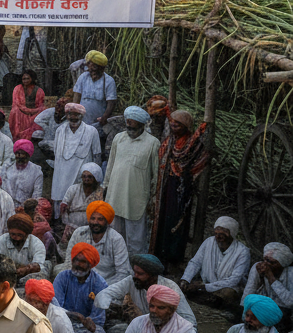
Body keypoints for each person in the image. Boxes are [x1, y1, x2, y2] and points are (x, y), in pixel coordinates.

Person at [151, 110, 208, 266]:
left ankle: (173, 256)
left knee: (176, 221)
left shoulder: (191, 144)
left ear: (186, 126)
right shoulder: (170, 140)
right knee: (163, 218)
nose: (174, 125)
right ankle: (160, 252)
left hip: (181, 188)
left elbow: (190, 161)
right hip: (167, 183)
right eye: (173, 122)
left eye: (178, 123)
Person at [94, 252, 197, 333]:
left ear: (152, 276)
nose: (135, 276)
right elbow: (105, 294)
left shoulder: (170, 288)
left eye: (140, 274)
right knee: (114, 329)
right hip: (140, 328)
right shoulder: (132, 281)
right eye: (135, 272)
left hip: (164, 331)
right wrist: (108, 307)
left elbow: (190, 322)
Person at [103, 106, 159, 254]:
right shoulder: (118, 138)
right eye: (128, 125)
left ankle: (136, 271)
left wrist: (153, 198)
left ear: (142, 125)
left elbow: (156, 174)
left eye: (133, 126)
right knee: (115, 236)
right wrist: (105, 186)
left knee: (135, 239)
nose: (130, 129)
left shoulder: (153, 143)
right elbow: (111, 165)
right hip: (115, 194)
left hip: (137, 198)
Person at [181, 216, 251, 311]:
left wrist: (204, 287)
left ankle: (216, 302)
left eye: (223, 233)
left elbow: (234, 280)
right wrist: (186, 279)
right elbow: (195, 262)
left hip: (227, 287)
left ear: (232, 234)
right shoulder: (209, 242)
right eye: (217, 233)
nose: (218, 236)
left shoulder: (242, 252)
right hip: (207, 284)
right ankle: (210, 299)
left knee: (228, 293)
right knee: (186, 287)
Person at [63, 202, 131, 285]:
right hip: (80, 281)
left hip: (107, 283)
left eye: (100, 219)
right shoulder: (79, 233)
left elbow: (123, 273)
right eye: (93, 218)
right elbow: (69, 262)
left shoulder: (116, 239)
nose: (95, 222)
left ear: (107, 221)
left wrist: (101, 287)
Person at [52, 103, 101, 212]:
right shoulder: (60, 130)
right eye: (70, 114)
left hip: (82, 174)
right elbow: (56, 152)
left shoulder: (91, 131)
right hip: (62, 174)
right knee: (61, 202)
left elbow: (97, 155)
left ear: (82, 116)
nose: (73, 117)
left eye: (76, 114)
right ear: (66, 115)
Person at [55, 242, 109, 333]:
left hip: (87, 327)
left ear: (90, 265)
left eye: (82, 261)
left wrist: (85, 321)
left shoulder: (100, 284)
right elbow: (55, 308)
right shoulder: (62, 277)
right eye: (75, 260)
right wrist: (74, 316)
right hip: (63, 322)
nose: (77, 264)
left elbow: (98, 318)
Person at [0, 213, 47, 285]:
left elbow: (38, 265)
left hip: (28, 277)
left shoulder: (36, 243)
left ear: (27, 234)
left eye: (20, 235)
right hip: (6, 275)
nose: (15, 237)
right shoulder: (2, 240)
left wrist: (26, 269)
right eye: (12, 234)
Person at [241, 241, 293, 318]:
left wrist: (271, 278)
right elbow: (249, 291)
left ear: (282, 264)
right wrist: (244, 311)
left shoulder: (291, 273)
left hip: (283, 310)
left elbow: (290, 302)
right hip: (262, 305)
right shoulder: (258, 267)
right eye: (265, 260)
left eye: (272, 262)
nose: (266, 264)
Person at [71, 52, 117, 128]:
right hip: (82, 121)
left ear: (101, 69)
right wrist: (74, 112)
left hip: (98, 123)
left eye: (95, 69)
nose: (92, 71)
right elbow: (77, 96)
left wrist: (105, 117)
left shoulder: (109, 81)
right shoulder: (83, 77)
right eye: (90, 69)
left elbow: (111, 102)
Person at [60, 163, 104, 235]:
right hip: (71, 226)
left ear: (96, 178)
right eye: (84, 176)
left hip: (93, 228)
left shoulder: (101, 192)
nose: (86, 179)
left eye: (90, 177)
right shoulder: (73, 188)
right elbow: (64, 204)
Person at [0, 139, 43, 207]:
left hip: (25, 209)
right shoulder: (6, 168)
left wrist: (27, 208)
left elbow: (36, 195)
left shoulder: (37, 172)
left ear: (28, 155)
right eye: (17, 153)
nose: (19, 156)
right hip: (6, 206)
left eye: (22, 153)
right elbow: (1, 188)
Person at [7, 70, 45, 141]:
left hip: (34, 113)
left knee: (43, 110)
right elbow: (17, 103)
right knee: (15, 110)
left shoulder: (39, 90)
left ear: (32, 79)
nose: (25, 81)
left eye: (28, 78)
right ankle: (17, 134)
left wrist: (33, 111)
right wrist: (27, 111)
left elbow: (40, 105)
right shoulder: (17, 88)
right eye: (24, 79)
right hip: (21, 112)